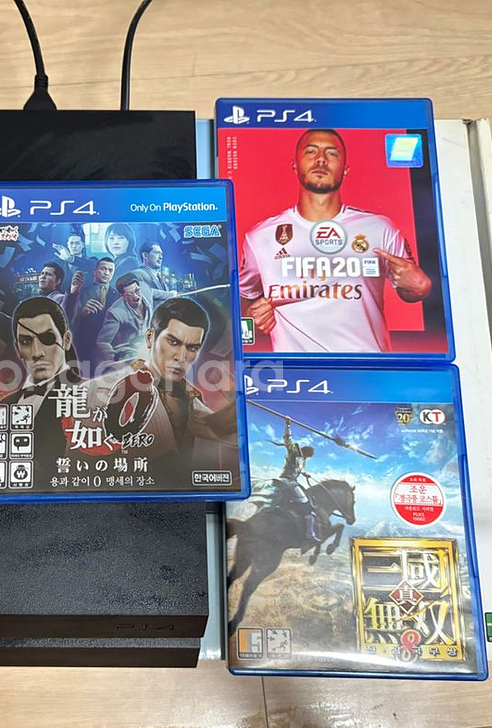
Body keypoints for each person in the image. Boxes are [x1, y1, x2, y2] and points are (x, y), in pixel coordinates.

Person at [239, 128, 433, 353]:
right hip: (296, 369)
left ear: (345, 169)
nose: (321, 159)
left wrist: (421, 288)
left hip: (369, 366)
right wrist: (249, 319)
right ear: (295, 165)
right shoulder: (260, 237)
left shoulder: (379, 229)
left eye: (332, 153)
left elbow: (410, 291)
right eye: (311, 151)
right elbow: (242, 302)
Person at [87, 297, 237, 474]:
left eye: (192, 348)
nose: (181, 357)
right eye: (173, 342)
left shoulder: (192, 400)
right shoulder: (102, 390)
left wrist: (237, 398)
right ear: (150, 338)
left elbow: (216, 431)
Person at [0, 296, 84, 481]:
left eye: (47, 339)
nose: (37, 352)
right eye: (26, 342)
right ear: (17, 348)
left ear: (66, 340)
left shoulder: (91, 395)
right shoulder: (4, 405)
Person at [270, 418, 319, 543]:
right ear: (307, 453)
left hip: (290, 481)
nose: (308, 458)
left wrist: (305, 474)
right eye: (309, 456)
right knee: (308, 506)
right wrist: (288, 424)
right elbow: (288, 440)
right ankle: (309, 534)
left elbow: (298, 469)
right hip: (288, 482)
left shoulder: (302, 460)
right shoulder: (295, 452)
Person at [71, 256, 120, 373]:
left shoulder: (117, 295)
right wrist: (82, 312)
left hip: (108, 348)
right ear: (95, 271)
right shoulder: (80, 292)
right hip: (84, 346)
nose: (106, 273)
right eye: (103, 269)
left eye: (110, 270)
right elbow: (69, 319)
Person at [96, 273, 151, 364]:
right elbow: (102, 341)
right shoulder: (115, 313)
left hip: (148, 347)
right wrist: (112, 361)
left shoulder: (146, 292)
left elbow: (154, 293)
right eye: (129, 294)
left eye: (137, 291)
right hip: (128, 354)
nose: (135, 296)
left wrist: (172, 294)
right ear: (123, 296)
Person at [133, 242, 177, 310]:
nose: (160, 257)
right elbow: (145, 291)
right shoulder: (137, 274)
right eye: (157, 253)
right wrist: (169, 294)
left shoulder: (159, 278)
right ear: (145, 255)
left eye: (161, 254)